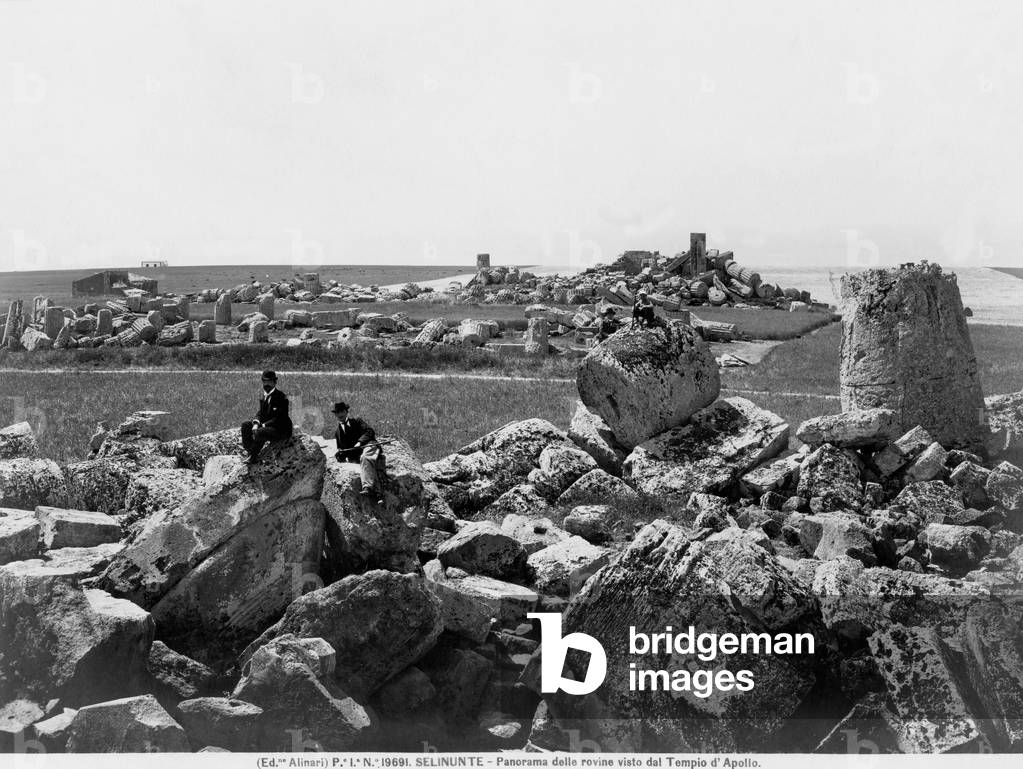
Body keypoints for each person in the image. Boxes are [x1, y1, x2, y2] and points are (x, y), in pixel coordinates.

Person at [332, 401, 385, 501]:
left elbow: (370, 431)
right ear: (335, 415)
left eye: (342, 411)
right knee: (364, 463)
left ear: (346, 412)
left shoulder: (357, 421)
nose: (340, 415)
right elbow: (343, 450)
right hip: (357, 455)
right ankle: (378, 495)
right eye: (337, 413)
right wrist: (340, 454)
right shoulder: (337, 433)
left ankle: (367, 487)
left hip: (369, 445)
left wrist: (360, 442)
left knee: (365, 457)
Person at [241, 370, 293, 463]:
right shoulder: (264, 396)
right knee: (246, 425)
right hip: (268, 426)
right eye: (264, 381)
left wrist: (263, 425)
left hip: (280, 429)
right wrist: (256, 423)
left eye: (269, 381)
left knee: (260, 432)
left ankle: (253, 457)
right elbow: (261, 412)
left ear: (274, 382)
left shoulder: (281, 397)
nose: (266, 384)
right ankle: (250, 451)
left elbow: (280, 419)